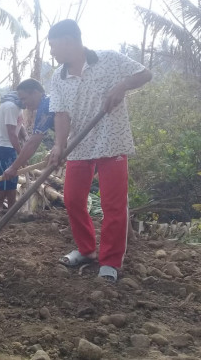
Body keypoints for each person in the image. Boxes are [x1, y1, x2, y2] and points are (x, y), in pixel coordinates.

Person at [46, 19, 152, 283]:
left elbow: (145, 74)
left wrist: (121, 85)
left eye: (53, 46)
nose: (51, 53)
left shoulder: (109, 60)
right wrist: (59, 145)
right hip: (79, 144)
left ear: (69, 42)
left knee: (113, 204)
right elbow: (61, 115)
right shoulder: (58, 77)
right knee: (71, 199)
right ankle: (86, 249)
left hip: (111, 140)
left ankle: (111, 262)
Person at [2, 78, 54, 178]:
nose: (23, 103)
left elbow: (33, 142)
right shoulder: (48, 101)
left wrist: (13, 168)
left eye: (24, 98)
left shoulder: (46, 105)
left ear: (35, 93)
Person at [0, 91, 26, 210]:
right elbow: (11, 134)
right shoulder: (11, 107)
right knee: (6, 179)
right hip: (2, 146)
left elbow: (19, 125)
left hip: (9, 145)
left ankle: (11, 208)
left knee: (13, 178)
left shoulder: (19, 106)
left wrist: (26, 137)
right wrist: (22, 155)